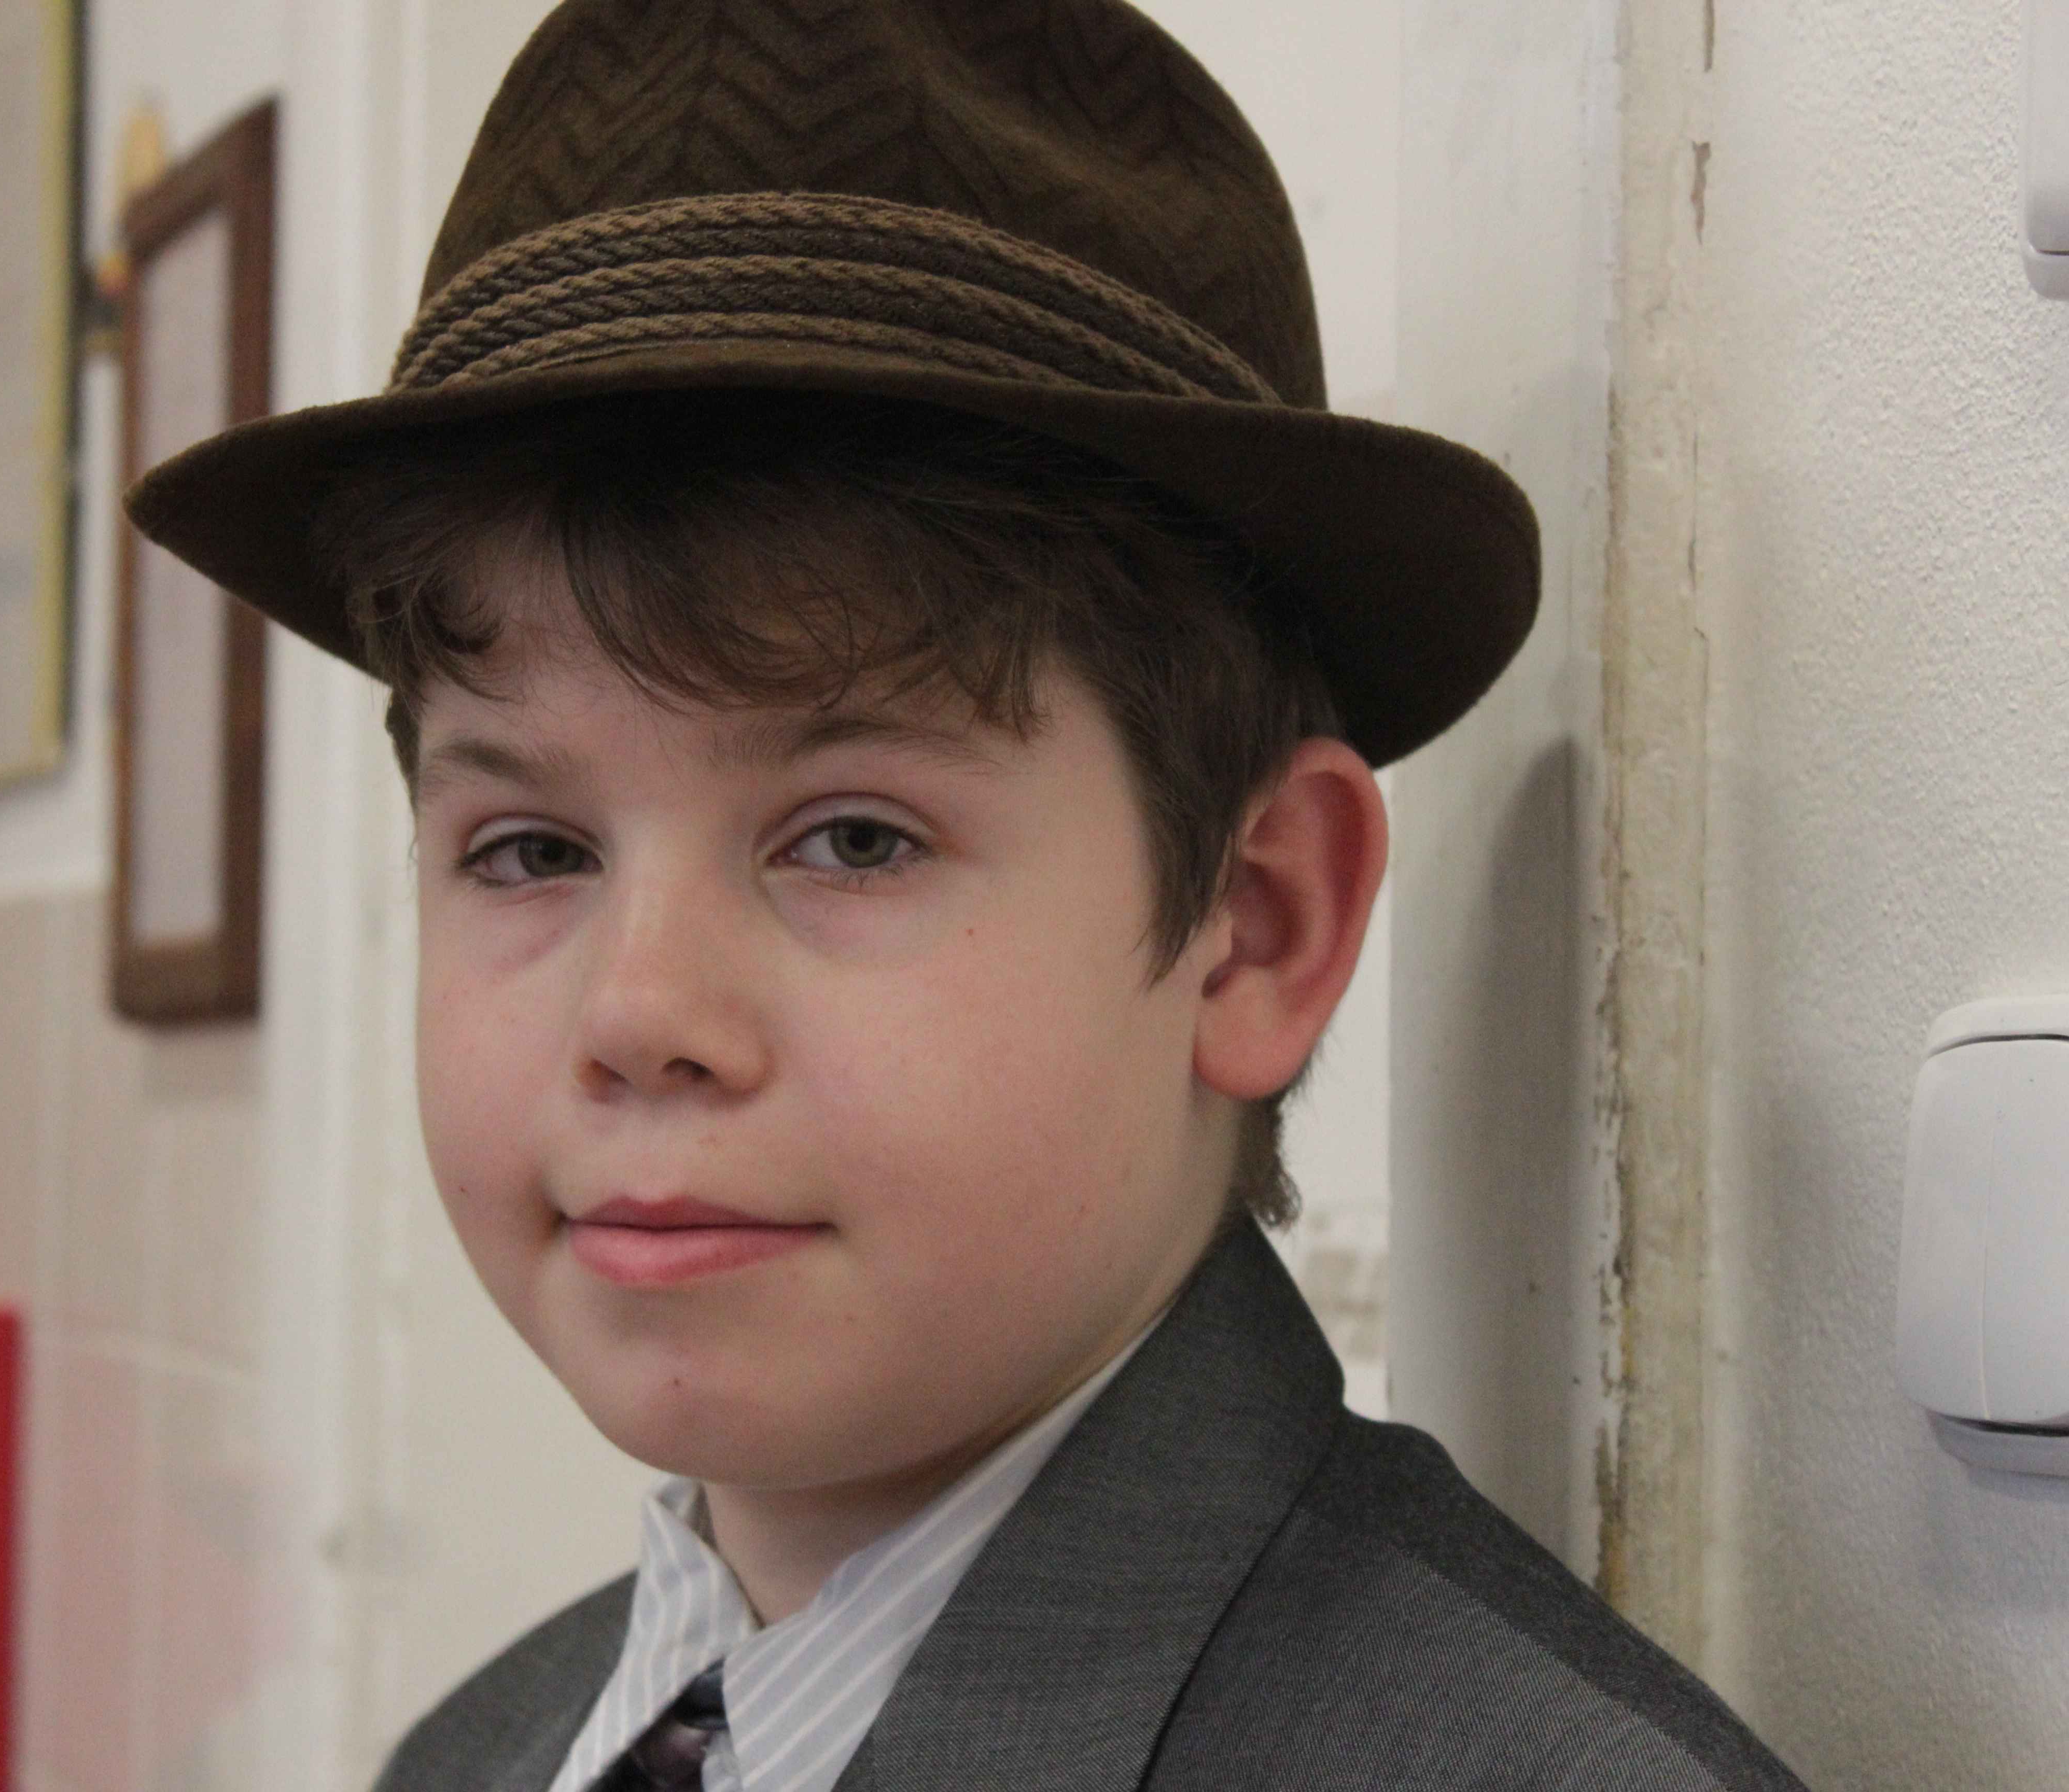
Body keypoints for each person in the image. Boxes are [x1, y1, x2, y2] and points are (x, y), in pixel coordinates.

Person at [126, 1, 1810, 1786]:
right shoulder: (479, 1753)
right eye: (531, 850)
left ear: (1257, 926)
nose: (637, 1016)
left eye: (855, 838)